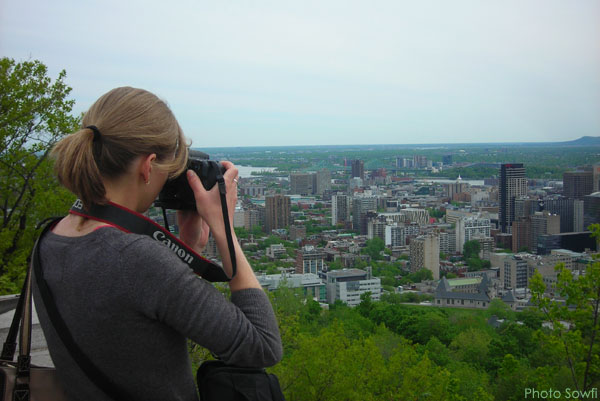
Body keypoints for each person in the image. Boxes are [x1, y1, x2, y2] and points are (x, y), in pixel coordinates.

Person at [32, 87, 283, 400]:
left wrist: (188, 246)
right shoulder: (138, 259)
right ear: (148, 165)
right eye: (170, 169)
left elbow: (136, 328)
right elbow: (262, 346)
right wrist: (225, 230)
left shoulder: (50, 239)